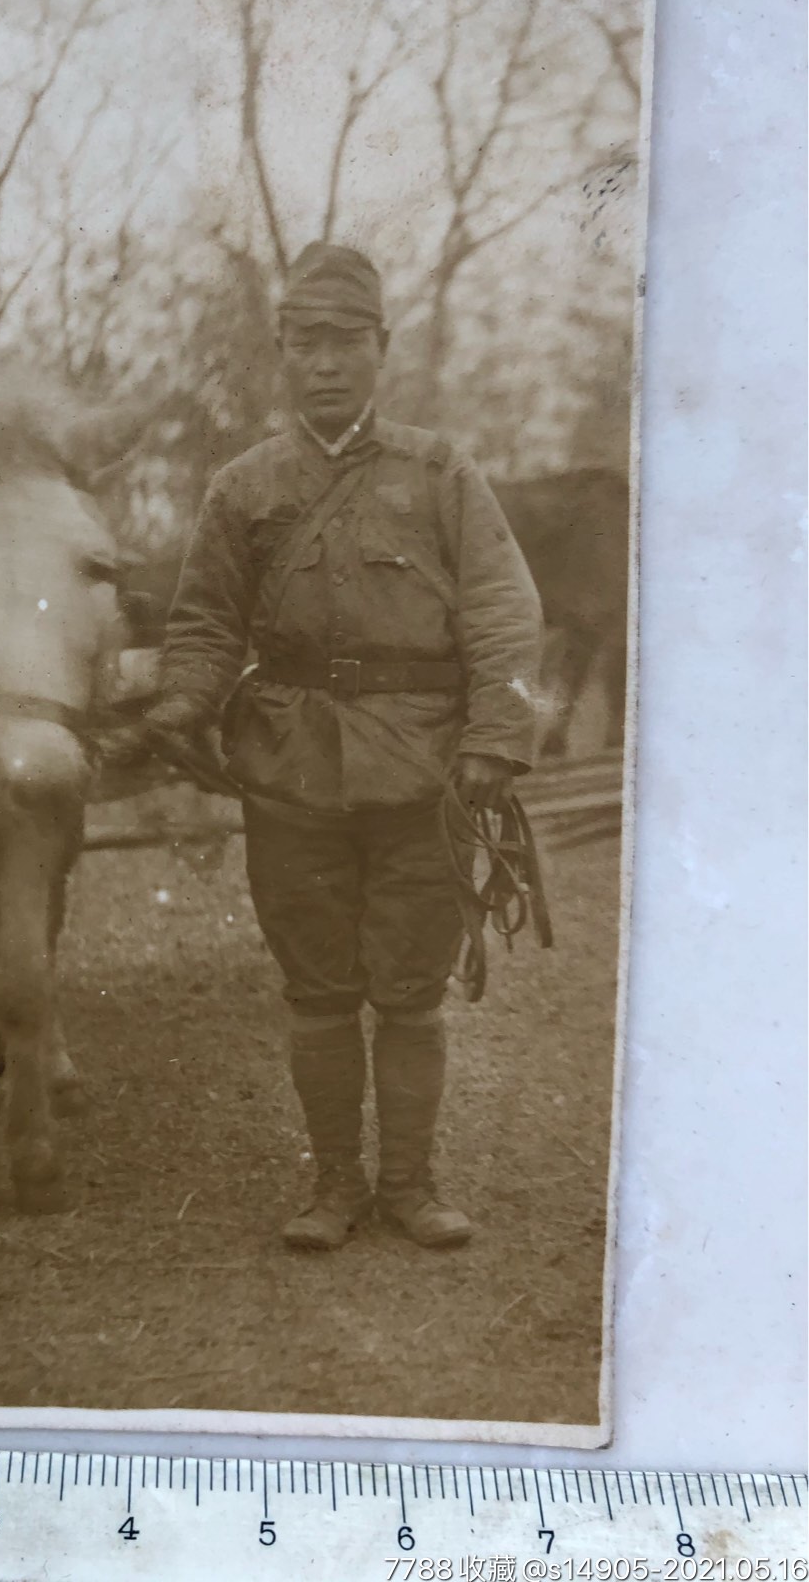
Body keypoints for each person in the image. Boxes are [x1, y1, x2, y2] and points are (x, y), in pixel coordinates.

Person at [147, 243, 544, 1252]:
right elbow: (203, 622)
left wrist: (497, 734)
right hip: (289, 774)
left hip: (425, 772)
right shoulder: (243, 487)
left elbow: (504, 612)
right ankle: (334, 1189)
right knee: (317, 988)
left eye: (346, 343)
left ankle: (411, 1188)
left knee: (410, 991)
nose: (325, 364)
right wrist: (184, 704)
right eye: (305, 344)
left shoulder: (442, 471)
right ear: (283, 355)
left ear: (382, 350)